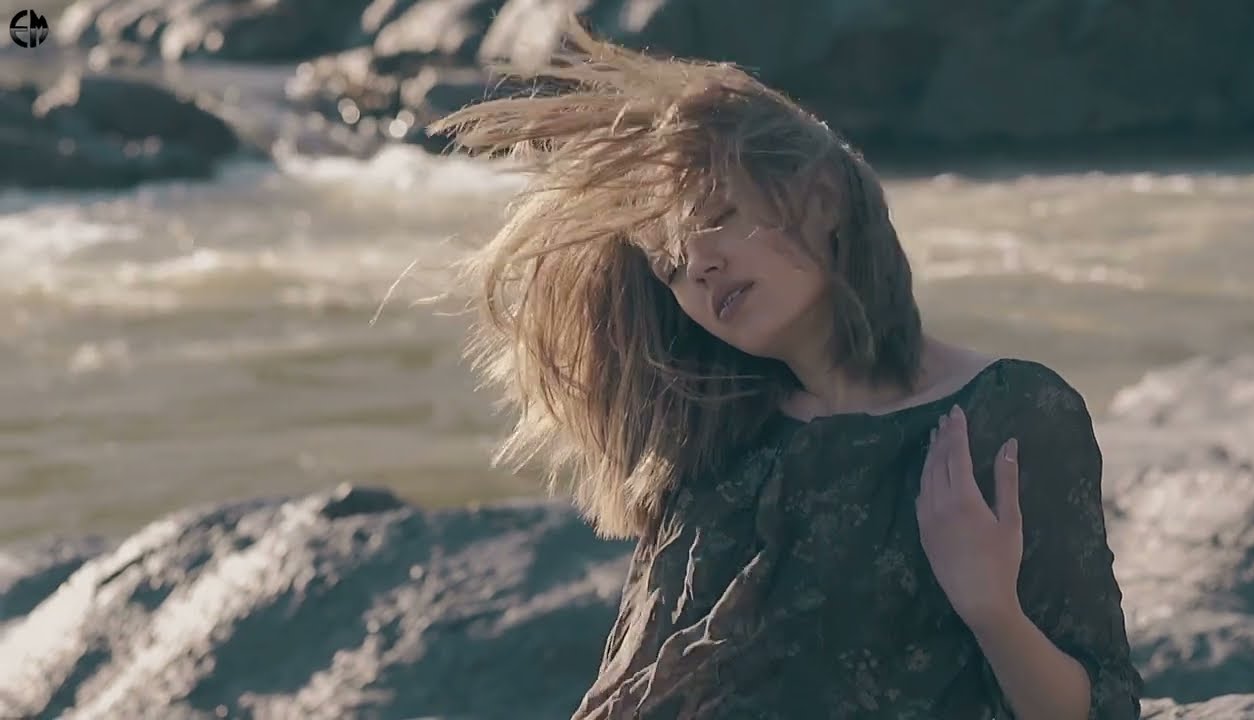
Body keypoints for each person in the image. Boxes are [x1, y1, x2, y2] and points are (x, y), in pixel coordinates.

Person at [428, 18, 1143, 720]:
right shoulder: (713, 450)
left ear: (822, 197)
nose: (699, 266)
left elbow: (1098, 708)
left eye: (715, 215)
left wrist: (992, 609)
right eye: (670, 265)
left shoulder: (1013, 411)